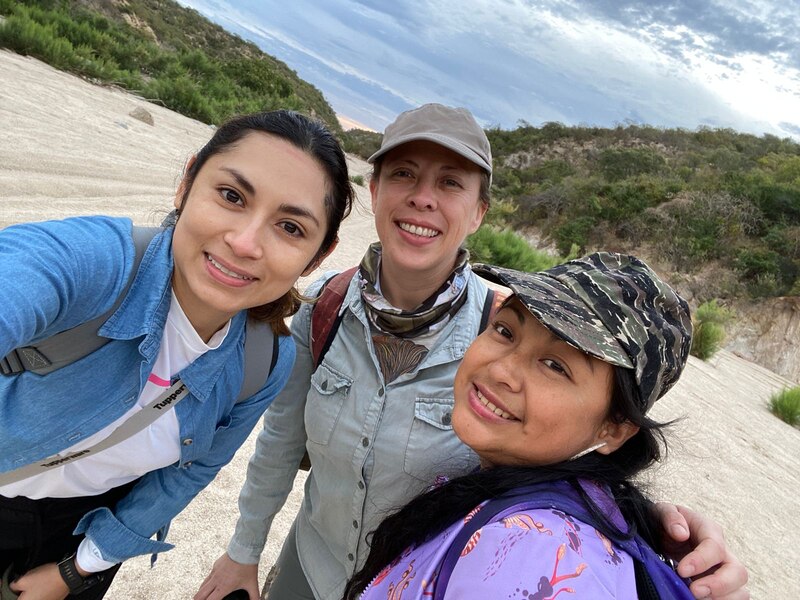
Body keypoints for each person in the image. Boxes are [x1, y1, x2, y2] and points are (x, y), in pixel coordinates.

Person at [197, 104, 748, 600]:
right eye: (404, 174)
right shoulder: (327, 307)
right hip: (312, 566)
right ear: (375, 190)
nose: (422, 197)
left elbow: (558, 474)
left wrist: (652, 529)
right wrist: (244, 550)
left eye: (451, 182)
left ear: (479, 212)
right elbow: (280, 442)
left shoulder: (504, 325)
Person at [0, 110, 353, 600]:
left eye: (290, 227)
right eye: (231, 196)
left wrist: (77, 569)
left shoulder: (264, 360)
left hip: (81, 530)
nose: (245, 243)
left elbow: (192, 471)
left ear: (318, 255)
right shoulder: (91, 264)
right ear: (186, 184)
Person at [342, 252, 697, 599]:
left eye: (555, 365)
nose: (500, 370)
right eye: (505, 331)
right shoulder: (541, 493)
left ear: (614, 429)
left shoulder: (534, 555)